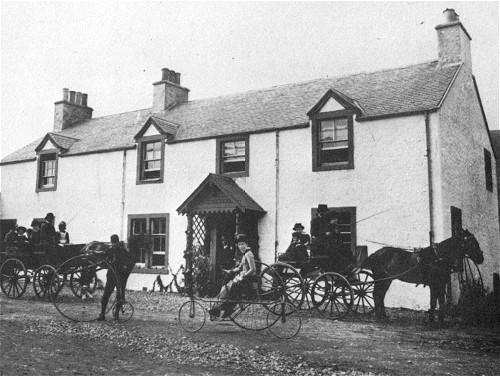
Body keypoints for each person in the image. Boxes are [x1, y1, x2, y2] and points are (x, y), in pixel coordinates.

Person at [209, 234, 256, 319]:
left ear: (246, 244)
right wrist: (230, 271)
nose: (240, 246)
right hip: (242, 278)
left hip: (246, 279)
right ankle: (221, 308)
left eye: (242, 244)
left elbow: (253, 269)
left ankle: (223, 309)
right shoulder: (245, 254)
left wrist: (244, 275)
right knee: (225, 287)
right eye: (239, 244)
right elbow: (239, 268)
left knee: (228, 288)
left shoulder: (249, 254)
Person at [98, 234, 136, 321]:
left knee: (108, 295)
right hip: (119, 276)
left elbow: (104, 257)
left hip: (114, 276)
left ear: (112, 241)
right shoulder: (122, 250)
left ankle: (105, 314)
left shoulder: (113, 250)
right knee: (117, 295)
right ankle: (113, 314)